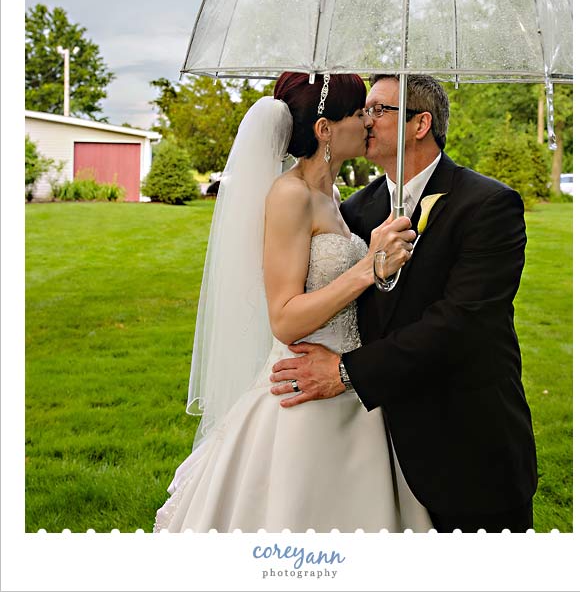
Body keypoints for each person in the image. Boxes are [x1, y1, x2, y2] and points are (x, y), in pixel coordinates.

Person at [271, 73, 538, 533]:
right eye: (364, 111)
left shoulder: (489, 205)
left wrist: (345, 372)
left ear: (420, 125)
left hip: (466, 445)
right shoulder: (352, 210)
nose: (365, 121)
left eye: (379, 110)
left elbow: (461, 323)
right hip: (370, 443)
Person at [154, 72, 418, 532]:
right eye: (359, 114)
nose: (368, 123)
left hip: (347, 388)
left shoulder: (333, 197)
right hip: (300, 391)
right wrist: (367, 268)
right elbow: (284, 317)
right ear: (324, 129)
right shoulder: (290, 196)